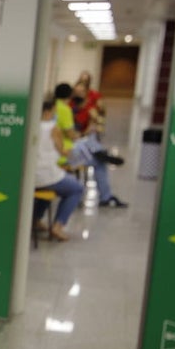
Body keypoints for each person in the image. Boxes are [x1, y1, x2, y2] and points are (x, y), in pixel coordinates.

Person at [53, 81, 127, 208]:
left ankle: (101, 153)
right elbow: (71, 134)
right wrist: (81, 135)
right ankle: (105, 196)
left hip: (61, 148)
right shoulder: (65, 110)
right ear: (70, 95)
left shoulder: (53, 107)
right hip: (65, 153)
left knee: (90, 141)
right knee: (98, 161)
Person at [33, 98, 85, 241]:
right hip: (46, 174)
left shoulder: (30, 124)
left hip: (31, 176)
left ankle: (35, 220)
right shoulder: (52, 128)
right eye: (54, 111)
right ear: (48, 111)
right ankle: (58, 225)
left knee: (49, 189)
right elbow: (62, 150)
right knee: (76, 189)